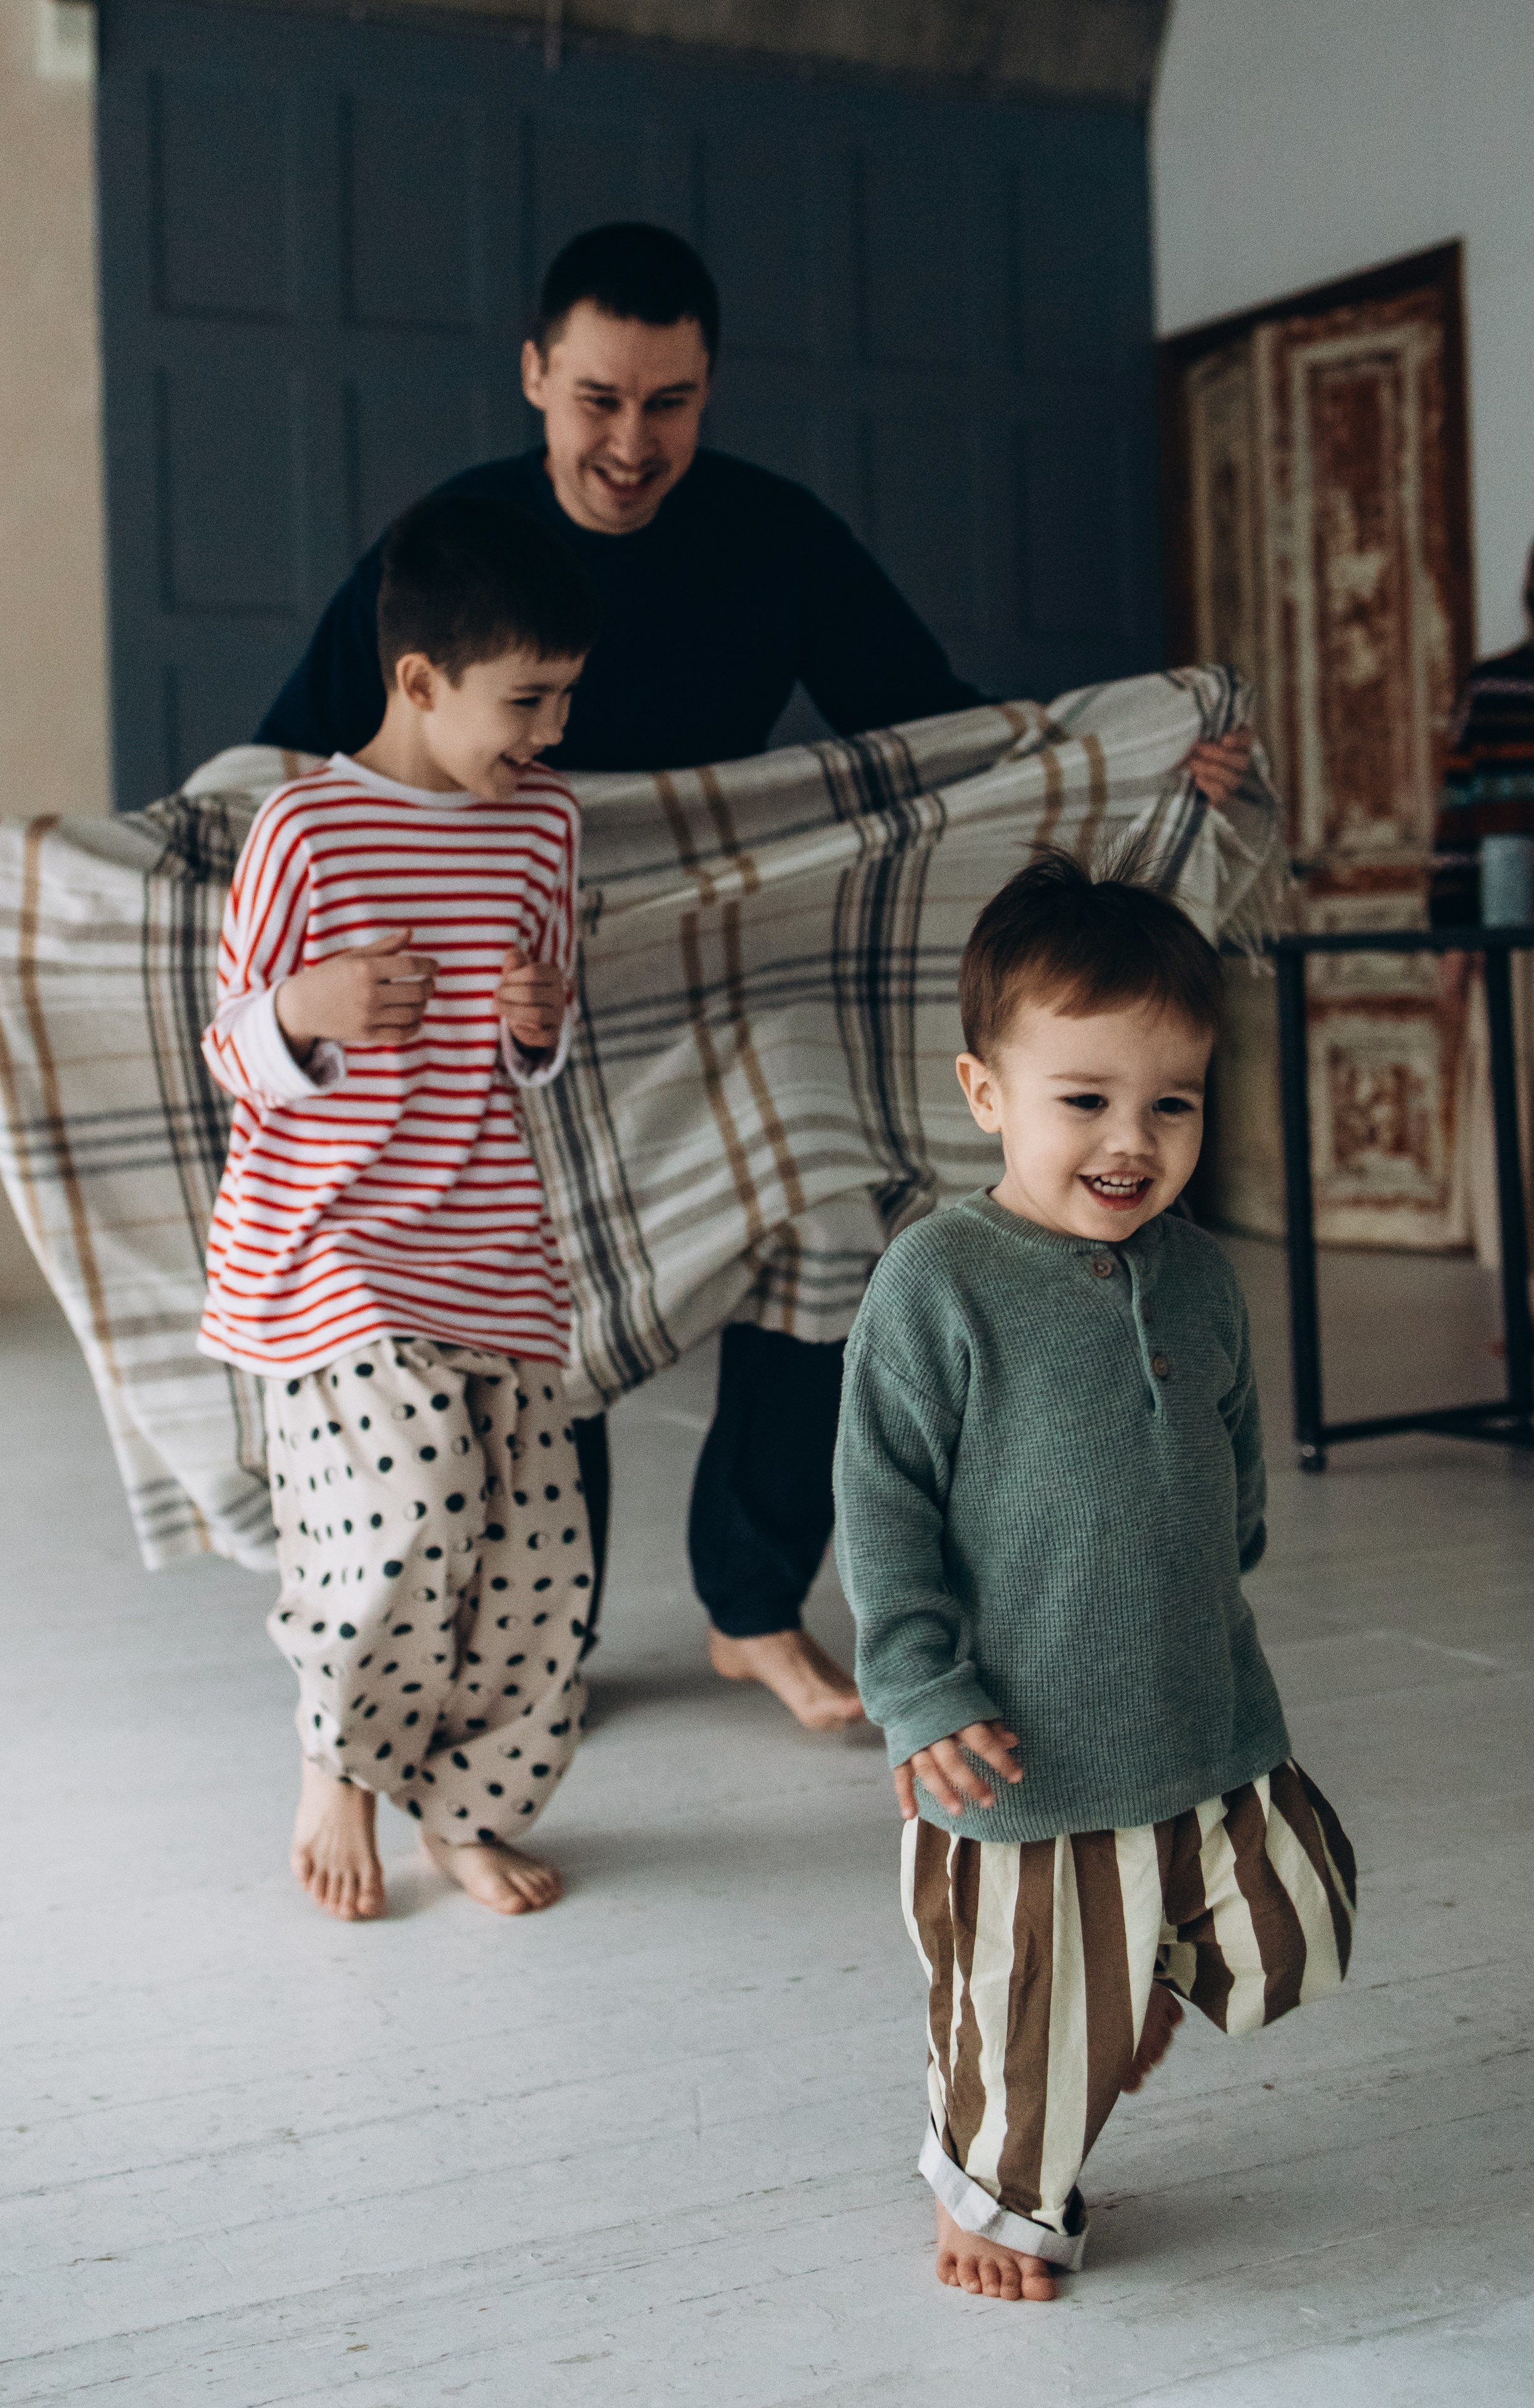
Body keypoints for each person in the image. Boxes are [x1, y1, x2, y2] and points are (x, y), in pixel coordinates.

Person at [258, 220, 1257, 1734]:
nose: (630, 440)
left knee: (830, 1228)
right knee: (554, 1306)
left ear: (708, 390)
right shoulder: (452, 550)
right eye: (597, 398)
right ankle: (551, 1634)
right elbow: (292, 752)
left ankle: (747, 1604)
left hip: (723, 955)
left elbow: (945, 739)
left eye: (669, 402)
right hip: (514, 970)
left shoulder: (773, 532)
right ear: (535, 377)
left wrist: (1144, 760)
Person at [833, 852, 1356, 2300]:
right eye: (1085, 1101)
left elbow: (1232, 1442)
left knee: (1296, 1927)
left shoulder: (1194, 1270)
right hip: (1015, 1750)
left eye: (1169, 1103)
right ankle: (989, 2195)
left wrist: (1223, 1545)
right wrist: (917, 1692)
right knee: (1024, 2019)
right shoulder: (939, 1282)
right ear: (984, 1091)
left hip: (1200, 1707)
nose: (1132, 1140)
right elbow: (879, 1511)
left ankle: (1136, 1976)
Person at [201, 490, 601, 1923]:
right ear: (419, 683)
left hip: (492, 1248)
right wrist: (305, 1009)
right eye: (526, 700)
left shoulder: (544, 824)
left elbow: (540, 1048)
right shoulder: (304, 828)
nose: (550, 732)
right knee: (407, 1515)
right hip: (329, 1253)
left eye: (565, 696)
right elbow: (231, 1048)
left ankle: (469, 1806)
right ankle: (339, 1762)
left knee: (537, 1569)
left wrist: (541, 1019)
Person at [1435, 508, 1534, 1347]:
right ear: (1532, 577)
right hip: (1508, 934)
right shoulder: (1491, 687)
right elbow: (1459, 811)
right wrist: (1454, 935)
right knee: (1516, 1103)